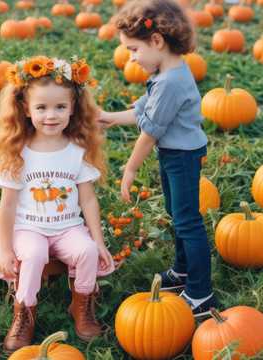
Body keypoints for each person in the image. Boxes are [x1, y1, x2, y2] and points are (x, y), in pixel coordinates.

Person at [0, 55, 115, 352]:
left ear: (73, 108)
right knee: (32, 255)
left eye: (60, 107)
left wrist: (99, 241)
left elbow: (88, 199)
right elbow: (6, 206)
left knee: (85, 251)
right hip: (28, 227)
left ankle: (82, 305)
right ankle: (25, 312)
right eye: (41, 107)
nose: (51, 115)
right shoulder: (19, 152)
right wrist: (5, 248)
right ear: (26, 110)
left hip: (67, 226)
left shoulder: (76, 150)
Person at [98, 0, 216, 317]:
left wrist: (130, 170)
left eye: (134, 50)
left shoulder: (170, 82)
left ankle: (201, 293)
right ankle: (183, 270)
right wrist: (108, 116)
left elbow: (148, 133)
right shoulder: (169, 71)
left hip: (182, 156)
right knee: (176, 213)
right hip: (175, 153)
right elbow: (143, 109)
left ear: (157, 41)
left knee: (188, 222)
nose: (131, 58)